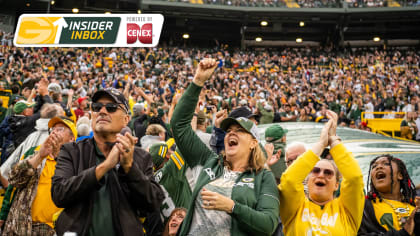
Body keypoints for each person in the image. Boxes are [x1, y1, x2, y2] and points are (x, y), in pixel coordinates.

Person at [171, 58, 279, 236]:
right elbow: (179, 125)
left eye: (239, 131)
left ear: (253, 143)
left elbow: (268, 224)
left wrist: (232, 207)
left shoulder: (263, 177)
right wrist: (198, 82)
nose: (231, 133)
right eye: (229, 130)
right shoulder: (208, 161)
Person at [51, 88, 164, 236]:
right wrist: (104, 167)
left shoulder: (140, 156)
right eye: (97, 107)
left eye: (111, 108)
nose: (102, 111)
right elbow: (59, 194)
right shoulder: (72, 151)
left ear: (126, 119)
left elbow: (153, 202)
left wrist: (130, 168)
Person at [279, 110, 364, 235]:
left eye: (328, 173)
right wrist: (321, 144)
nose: (321, 175)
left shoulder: (346, 211)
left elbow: (354, 178)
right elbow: (289, 181)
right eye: (315, 171)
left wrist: (333, 140)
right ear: (307, 180)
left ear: (336, 184)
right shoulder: (295, 208)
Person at [2, 116, 77, 235]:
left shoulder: (76, 162)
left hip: (53, 230)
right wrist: (39, 157)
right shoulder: (35, 151)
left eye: (60, 129)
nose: (54, 132)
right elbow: (14, 182)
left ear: (72, 138)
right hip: (21, 225)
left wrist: (58, 154)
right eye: (52, 129)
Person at [358, 155, 420, 235]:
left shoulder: (415, 205)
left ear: (400, 175)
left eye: (386, 164)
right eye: (374, 166)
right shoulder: (363, 207)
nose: (378, 167)